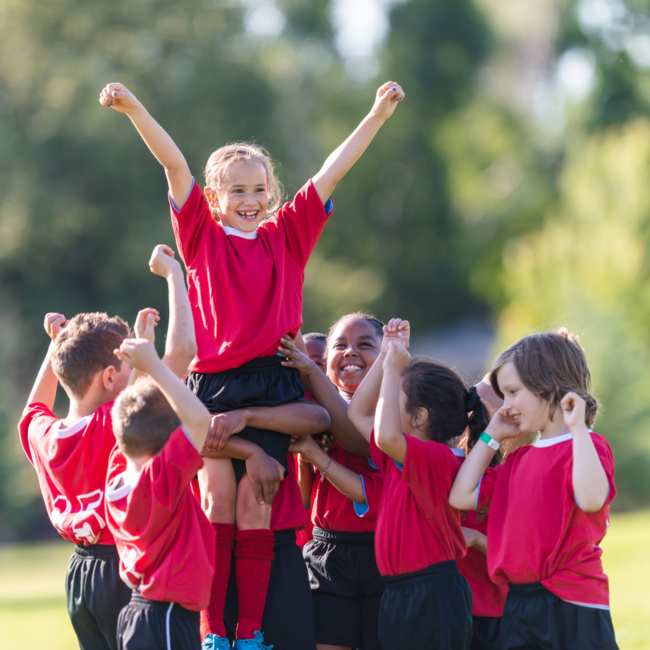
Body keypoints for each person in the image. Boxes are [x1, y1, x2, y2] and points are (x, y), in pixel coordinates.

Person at [99, 78, 404, 650]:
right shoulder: (201, 237)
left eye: (258, 189)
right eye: (235, 190)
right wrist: (134, 107)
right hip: (211, 385)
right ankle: (214, 630)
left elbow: (333, 171)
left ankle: (250, 630)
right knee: (215, 498)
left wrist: (376, 117)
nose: (248, 199)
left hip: (270, 380)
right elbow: (173, 164)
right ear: (213, 200)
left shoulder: (288, 234)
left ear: (271, 192)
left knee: (252, 506)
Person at [17, 245, 196, 650]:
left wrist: (56, 345)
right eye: (130, 366)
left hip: (79, 576)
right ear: (112, 378)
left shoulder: (42, 434)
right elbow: (182, 353)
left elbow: (33, 407)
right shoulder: (116, 422)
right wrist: (175, 277)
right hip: (123, 564)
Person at [449, 330, 619, 650]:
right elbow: (460, 496)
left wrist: (578, 428)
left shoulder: (587, 445)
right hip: (520, 604)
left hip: (573, 602)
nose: (507, 405)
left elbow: (593, 500)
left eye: (514, 392)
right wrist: (492, 435)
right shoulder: (518, 461)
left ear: (550, 386)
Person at [348, 319, 489, 649]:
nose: (386, 397)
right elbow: (358, 413)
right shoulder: (401, 457)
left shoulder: (438, 460)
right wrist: (385, 357)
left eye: (394, 392)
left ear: (420, 416)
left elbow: (383, 433)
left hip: (431, 592)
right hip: (401, 591)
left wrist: (397, 368)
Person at [279, 314, 394, 650]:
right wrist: (305, 454)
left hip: (382, 552)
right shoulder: (309, 410)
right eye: (340, 345)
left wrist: (318, 454)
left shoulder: (394, 408)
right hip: (327, 552)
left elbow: (357, 438)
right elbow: (303, 499)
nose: (351, 352)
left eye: (365, 345)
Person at [107, 337, 214, 650]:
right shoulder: (159, 480)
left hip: (139, 614)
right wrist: (152, 364)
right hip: (165, 616)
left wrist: (142, 371)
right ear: (169, 445)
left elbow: (130, 420)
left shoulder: (114, 478)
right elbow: (199, 419)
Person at [457, 379, 508, 650]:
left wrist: (476, 538)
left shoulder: (508, 473)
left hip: (496, 613)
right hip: (451, 608)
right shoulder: (448, 464)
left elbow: (520, 554)